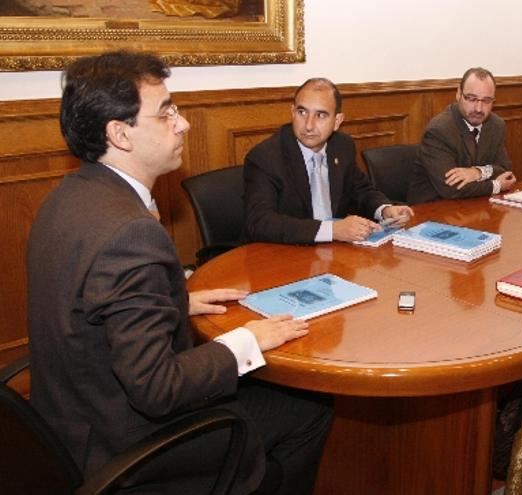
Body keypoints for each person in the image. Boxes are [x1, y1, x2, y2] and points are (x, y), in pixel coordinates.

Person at [27, 51, 332, 495]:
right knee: (310, 409)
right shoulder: (129, 234)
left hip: (67, 424)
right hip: (129, 448)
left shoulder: (68, 198)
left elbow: (90, 304)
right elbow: (158, 388)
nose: (183, 123)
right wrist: (248, 339)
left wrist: (172, 300)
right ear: (120, 133)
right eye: (166, 111)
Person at [243, 77, 413, 245]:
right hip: (283, 254)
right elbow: (260, 222)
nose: (309, 125)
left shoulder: (342, 146)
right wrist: (332, 230)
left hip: (334, 253)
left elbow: (361, 189)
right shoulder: (265, 157)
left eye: (321, 115)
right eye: (302, 112)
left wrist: (384, 210)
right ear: (292, 112)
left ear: (337, 121)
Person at [407, 67, 517, 204]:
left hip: (476, 206)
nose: (478, 108)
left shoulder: (496, 125)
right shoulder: (439, 131)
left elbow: (505, 171)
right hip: (434, 210)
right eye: (471, 99)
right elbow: (452, 189)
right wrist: (496, 185)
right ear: (459, 94)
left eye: (486, 101)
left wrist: (478, 172)